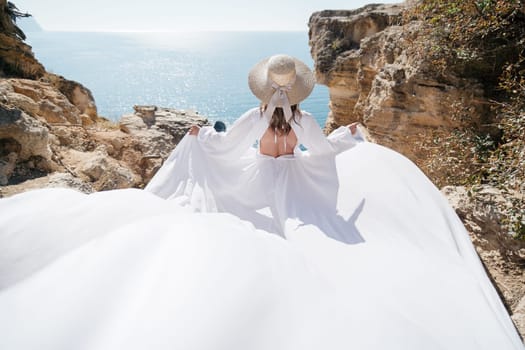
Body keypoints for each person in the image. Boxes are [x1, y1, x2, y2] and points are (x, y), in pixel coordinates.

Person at [0, 55, 523, 350]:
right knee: (312, 236)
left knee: (230, 214)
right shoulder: (306, 121)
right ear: (296, 93)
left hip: (255, 181)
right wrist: (352, 136)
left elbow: (224, 147)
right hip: (292, 186)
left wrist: (200, 137)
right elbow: (324, 151)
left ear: (263, 93)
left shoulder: (253, 120)